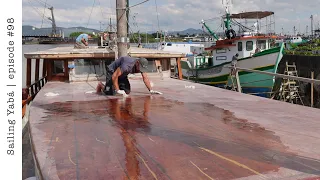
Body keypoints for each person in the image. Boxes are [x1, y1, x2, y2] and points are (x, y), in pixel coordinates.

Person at [96, 56, 162, 97]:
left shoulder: (141, 64)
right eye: (140, 68)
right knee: (109, 92)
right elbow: (114, 76)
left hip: (123, 74)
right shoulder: (127, 66)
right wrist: (118, 90)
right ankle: (101, 85)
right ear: (137, 63)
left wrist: (151, 90)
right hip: (112, 71)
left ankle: (116, 86)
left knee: (127, 91)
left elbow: (145, 78)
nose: (140, 70)